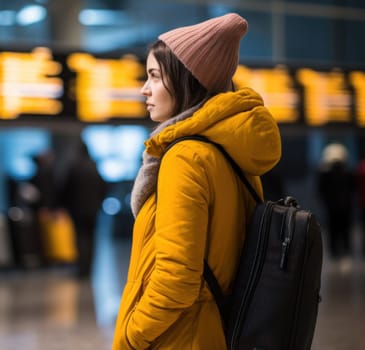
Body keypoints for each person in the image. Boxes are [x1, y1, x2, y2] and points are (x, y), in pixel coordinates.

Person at [112, 13, 281, 349]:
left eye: (155, 76)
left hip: (181, 336)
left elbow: (176, 278)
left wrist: (132, 335)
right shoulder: (232, 152)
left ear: (186, 80)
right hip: (214, 328)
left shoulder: (185, 157)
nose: (145, 89)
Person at [60, 141, 107, 278]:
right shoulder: (94, 167)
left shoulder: (74, 167)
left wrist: (65, 205)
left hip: (77, 210)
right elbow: (103, 186)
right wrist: (99, 202)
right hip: (93, 210)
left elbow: (66, 189)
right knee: (92, 239)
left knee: (80, 238)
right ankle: (89, 268)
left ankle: (81, 268)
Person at [317, 142, 355, 260]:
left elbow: (321, 190)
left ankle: (339, 251)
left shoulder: (326, 174)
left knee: (337, 229)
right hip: (341, 206)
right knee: (342, 229)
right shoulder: (346, 173)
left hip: (334, 207)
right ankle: (343, 251)